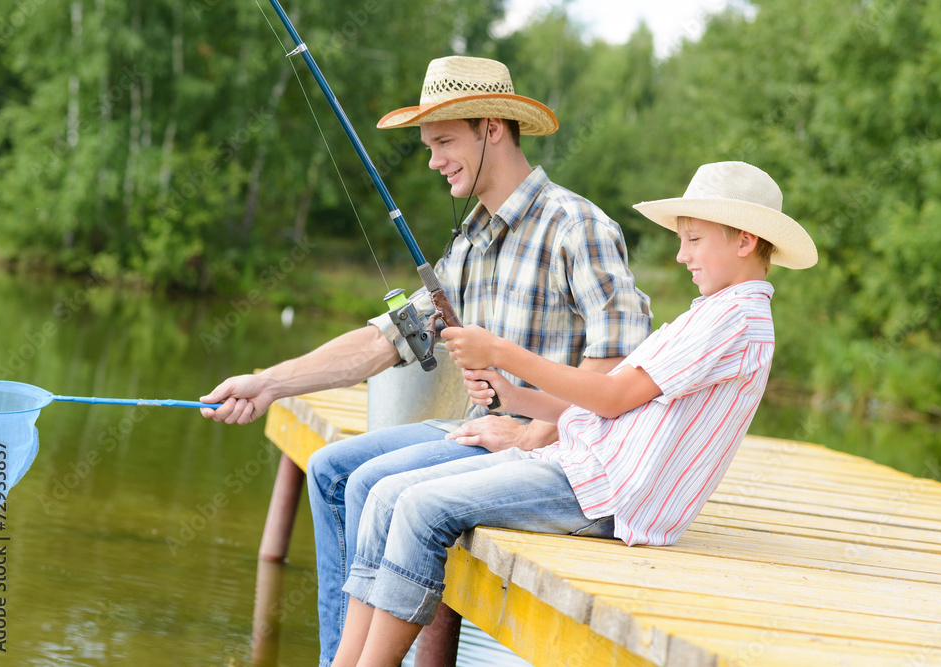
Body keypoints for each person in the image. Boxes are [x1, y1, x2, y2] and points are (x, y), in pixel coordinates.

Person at [200, 55, 651, 666]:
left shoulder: (576, 226)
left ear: (492, 128)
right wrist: (268, 383)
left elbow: (621, 362)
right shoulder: (471, 240)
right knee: (332, 467)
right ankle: (344, 654)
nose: (434, 159)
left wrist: (536, 433)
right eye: (429, 145)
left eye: (444, 141)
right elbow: (386, 340)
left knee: (366, 483)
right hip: (476, 431)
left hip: (549, 452)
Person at [330, 161, 818, 666]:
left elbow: (610, 397)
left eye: (693, 240)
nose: (680, 254)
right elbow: (607, 401)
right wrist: (513, 399)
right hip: (581, 466)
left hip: (607, 495)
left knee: (419, 508)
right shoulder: (715, 312)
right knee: (387, 495)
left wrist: (500, 350)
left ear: (743, 240)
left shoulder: (737, 320)